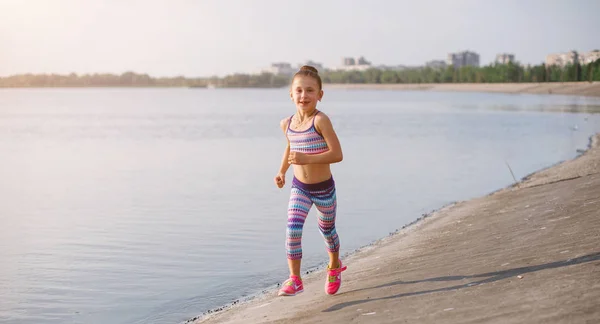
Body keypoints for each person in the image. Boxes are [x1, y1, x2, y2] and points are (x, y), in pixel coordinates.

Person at [274, 65, 346, 296]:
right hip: (300, 188)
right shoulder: (287, 123)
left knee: (327, 230)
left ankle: (334, 266)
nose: (304, 96)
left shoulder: (321, 121)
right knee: (292, 230)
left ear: (319, 95)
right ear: (291, 94)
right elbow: (290, 148)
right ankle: (295, 279)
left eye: (310, 91)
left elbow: (337, 154)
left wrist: (307, 158)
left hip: (324, 189)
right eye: (299, 91)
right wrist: (282, 171)